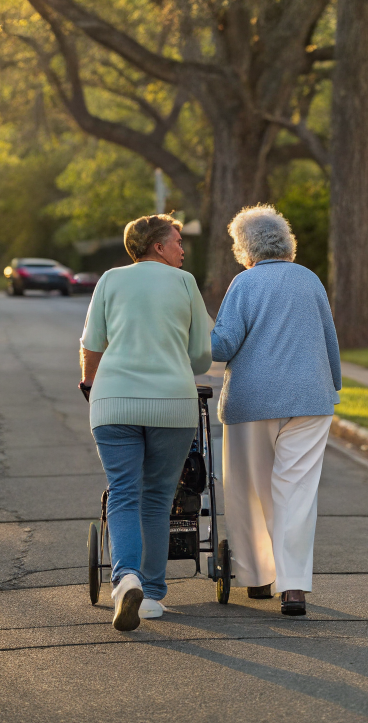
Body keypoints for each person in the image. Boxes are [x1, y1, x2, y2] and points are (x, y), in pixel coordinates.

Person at [79, 214, 212, 631]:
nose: (182, 249)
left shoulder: (109, 280)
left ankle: (126, 579)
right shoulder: (185, 284)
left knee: (122, 493)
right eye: (176, 241)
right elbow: (201, 358)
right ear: (158, 246)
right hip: (172, 406)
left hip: (113, 403)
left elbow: (91, 345)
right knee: (157, 498)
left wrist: (89, 383)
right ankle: (152, 596)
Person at [212, 204, 341, 616]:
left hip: (253, 402)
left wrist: (192, 338)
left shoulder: (244, 284)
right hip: (310, 400)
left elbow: (223, 345)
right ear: (287, 243)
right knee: (297, 493)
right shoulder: (310, 280)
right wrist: (331, 383)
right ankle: (295, 588)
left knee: (250, 490)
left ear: (244, 248)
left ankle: (256, 577)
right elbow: (329, 339)